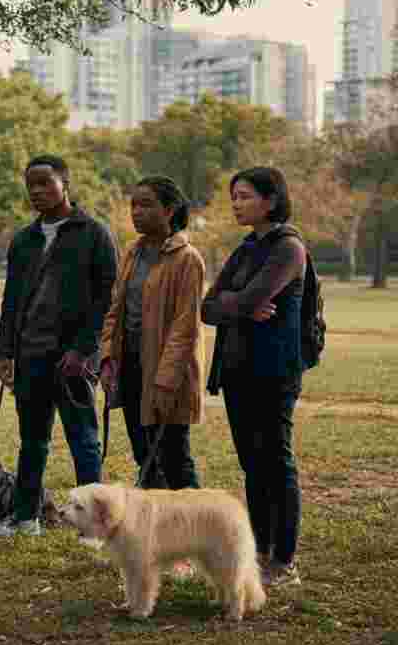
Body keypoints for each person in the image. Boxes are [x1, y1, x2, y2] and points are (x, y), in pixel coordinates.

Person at [0, 155, 118, 537]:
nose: (37, 191)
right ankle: (26, 516)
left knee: (83, 440)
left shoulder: (94, 233)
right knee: (32, 440)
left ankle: (94, 525)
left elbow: (105, 299)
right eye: (30, 185)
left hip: (73, 360)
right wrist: (5, 352)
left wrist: (83, 350)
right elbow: (11, 300)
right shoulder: (24, 240)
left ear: (65, 184)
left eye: (45, 183)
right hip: (29, 354)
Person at [201, 166, 307, 588]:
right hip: (238, 369)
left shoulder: (288, 248)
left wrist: (240, 303)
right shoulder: (247, 247)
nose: (236, 204)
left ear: (271, 200)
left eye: (244, 196)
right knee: (252, 465)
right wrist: (240, 305)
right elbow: (207, 307)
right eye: (234, 196)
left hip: (274, 371)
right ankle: (260, 551)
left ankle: (284, 558)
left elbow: (249, 298)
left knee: (275, 462)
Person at [99, 176, 206, 491]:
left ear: (170, 210)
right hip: (131, 367)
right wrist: (107, 358)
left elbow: (185, 329)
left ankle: (196, 527)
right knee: (143, 455)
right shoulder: (132, 252)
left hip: (167, 374)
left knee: (174, 458)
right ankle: (158, 529)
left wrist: (165, 381)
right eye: (133, 205)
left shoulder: (188, 260)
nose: (136, 212)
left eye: (146, 204)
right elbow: (114, 310)